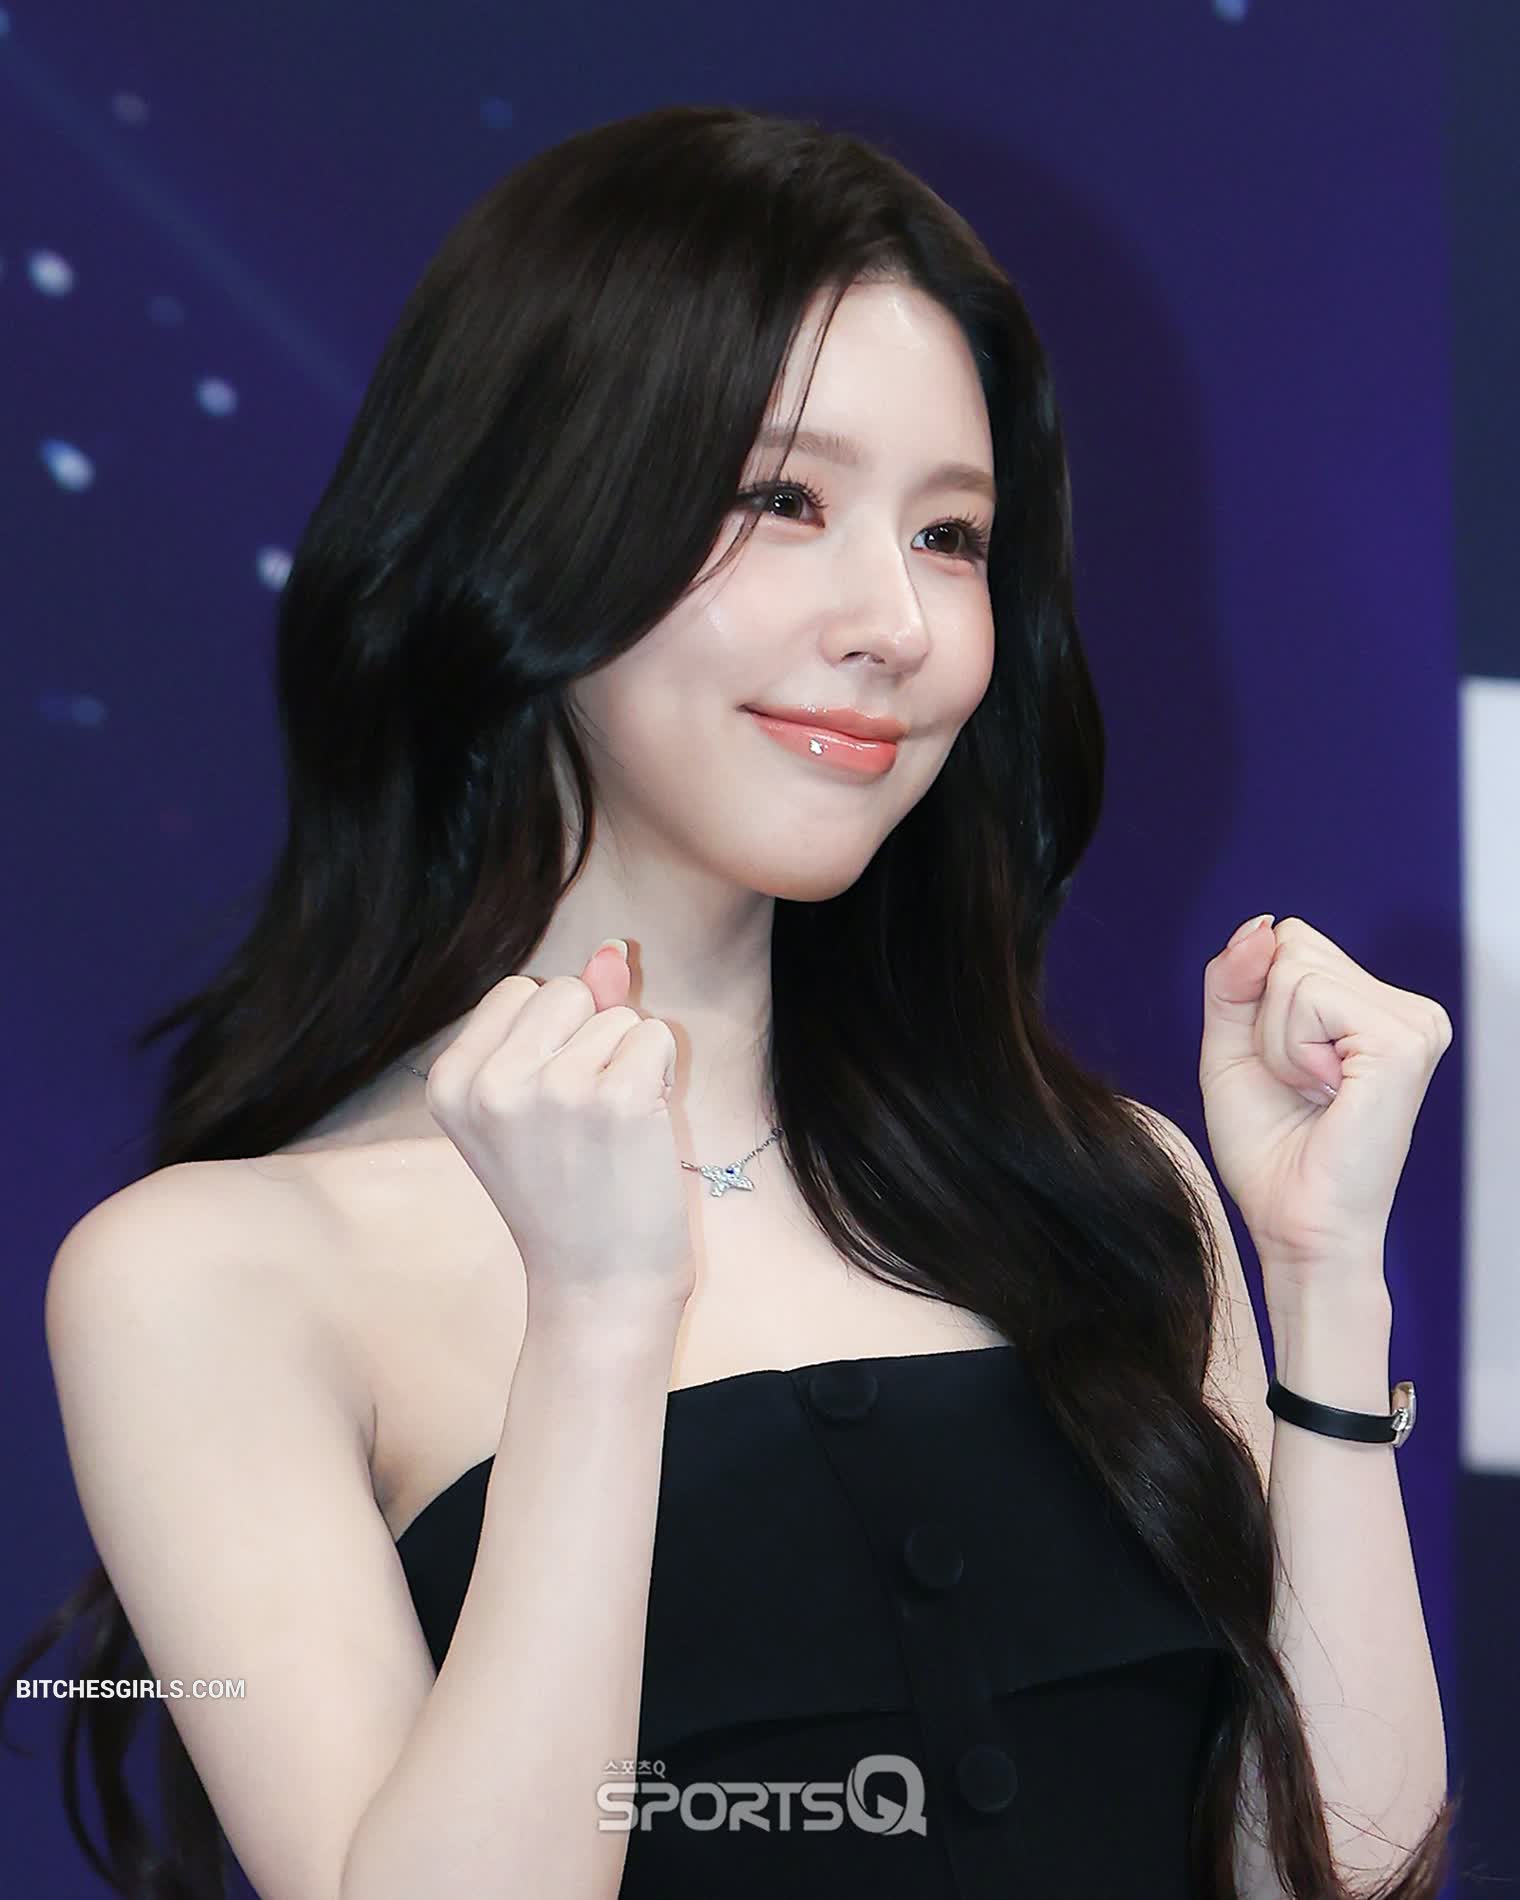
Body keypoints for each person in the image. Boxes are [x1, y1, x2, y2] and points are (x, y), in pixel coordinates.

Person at [3, 104, 1454, 1900]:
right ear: (537, 517)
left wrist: (1321, 1281)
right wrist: (598, 1325)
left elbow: (1336, 1876)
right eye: (784, 501)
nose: (896, 622)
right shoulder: (214, 1277)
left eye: (951, 534)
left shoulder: (1103, 1190)